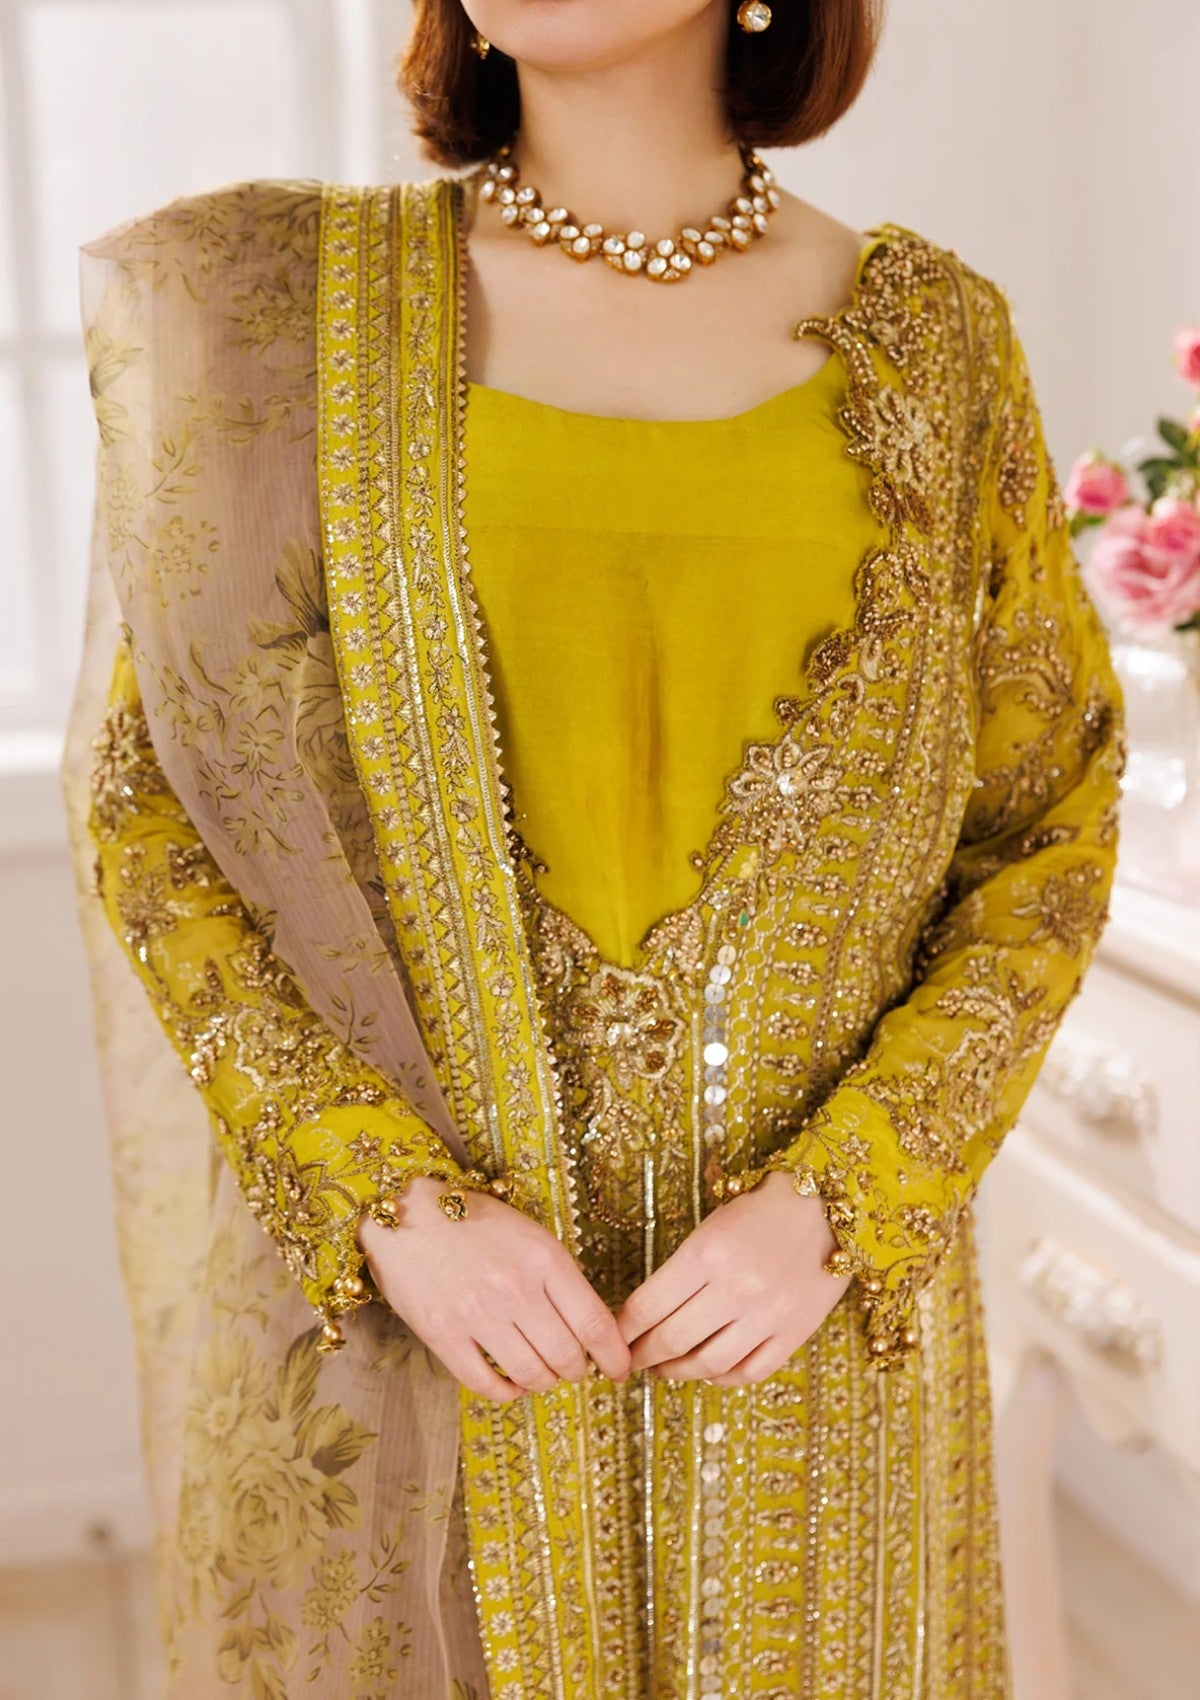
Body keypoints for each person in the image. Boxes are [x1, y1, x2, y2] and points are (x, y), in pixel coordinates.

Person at [63, 1, 1127, 1694]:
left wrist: (841, 1204)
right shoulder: (276, 321)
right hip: (426, 1340)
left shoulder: (938, 346)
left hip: (811, 1348)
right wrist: (390, 1203)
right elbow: (155, 812)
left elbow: (1043, 833)